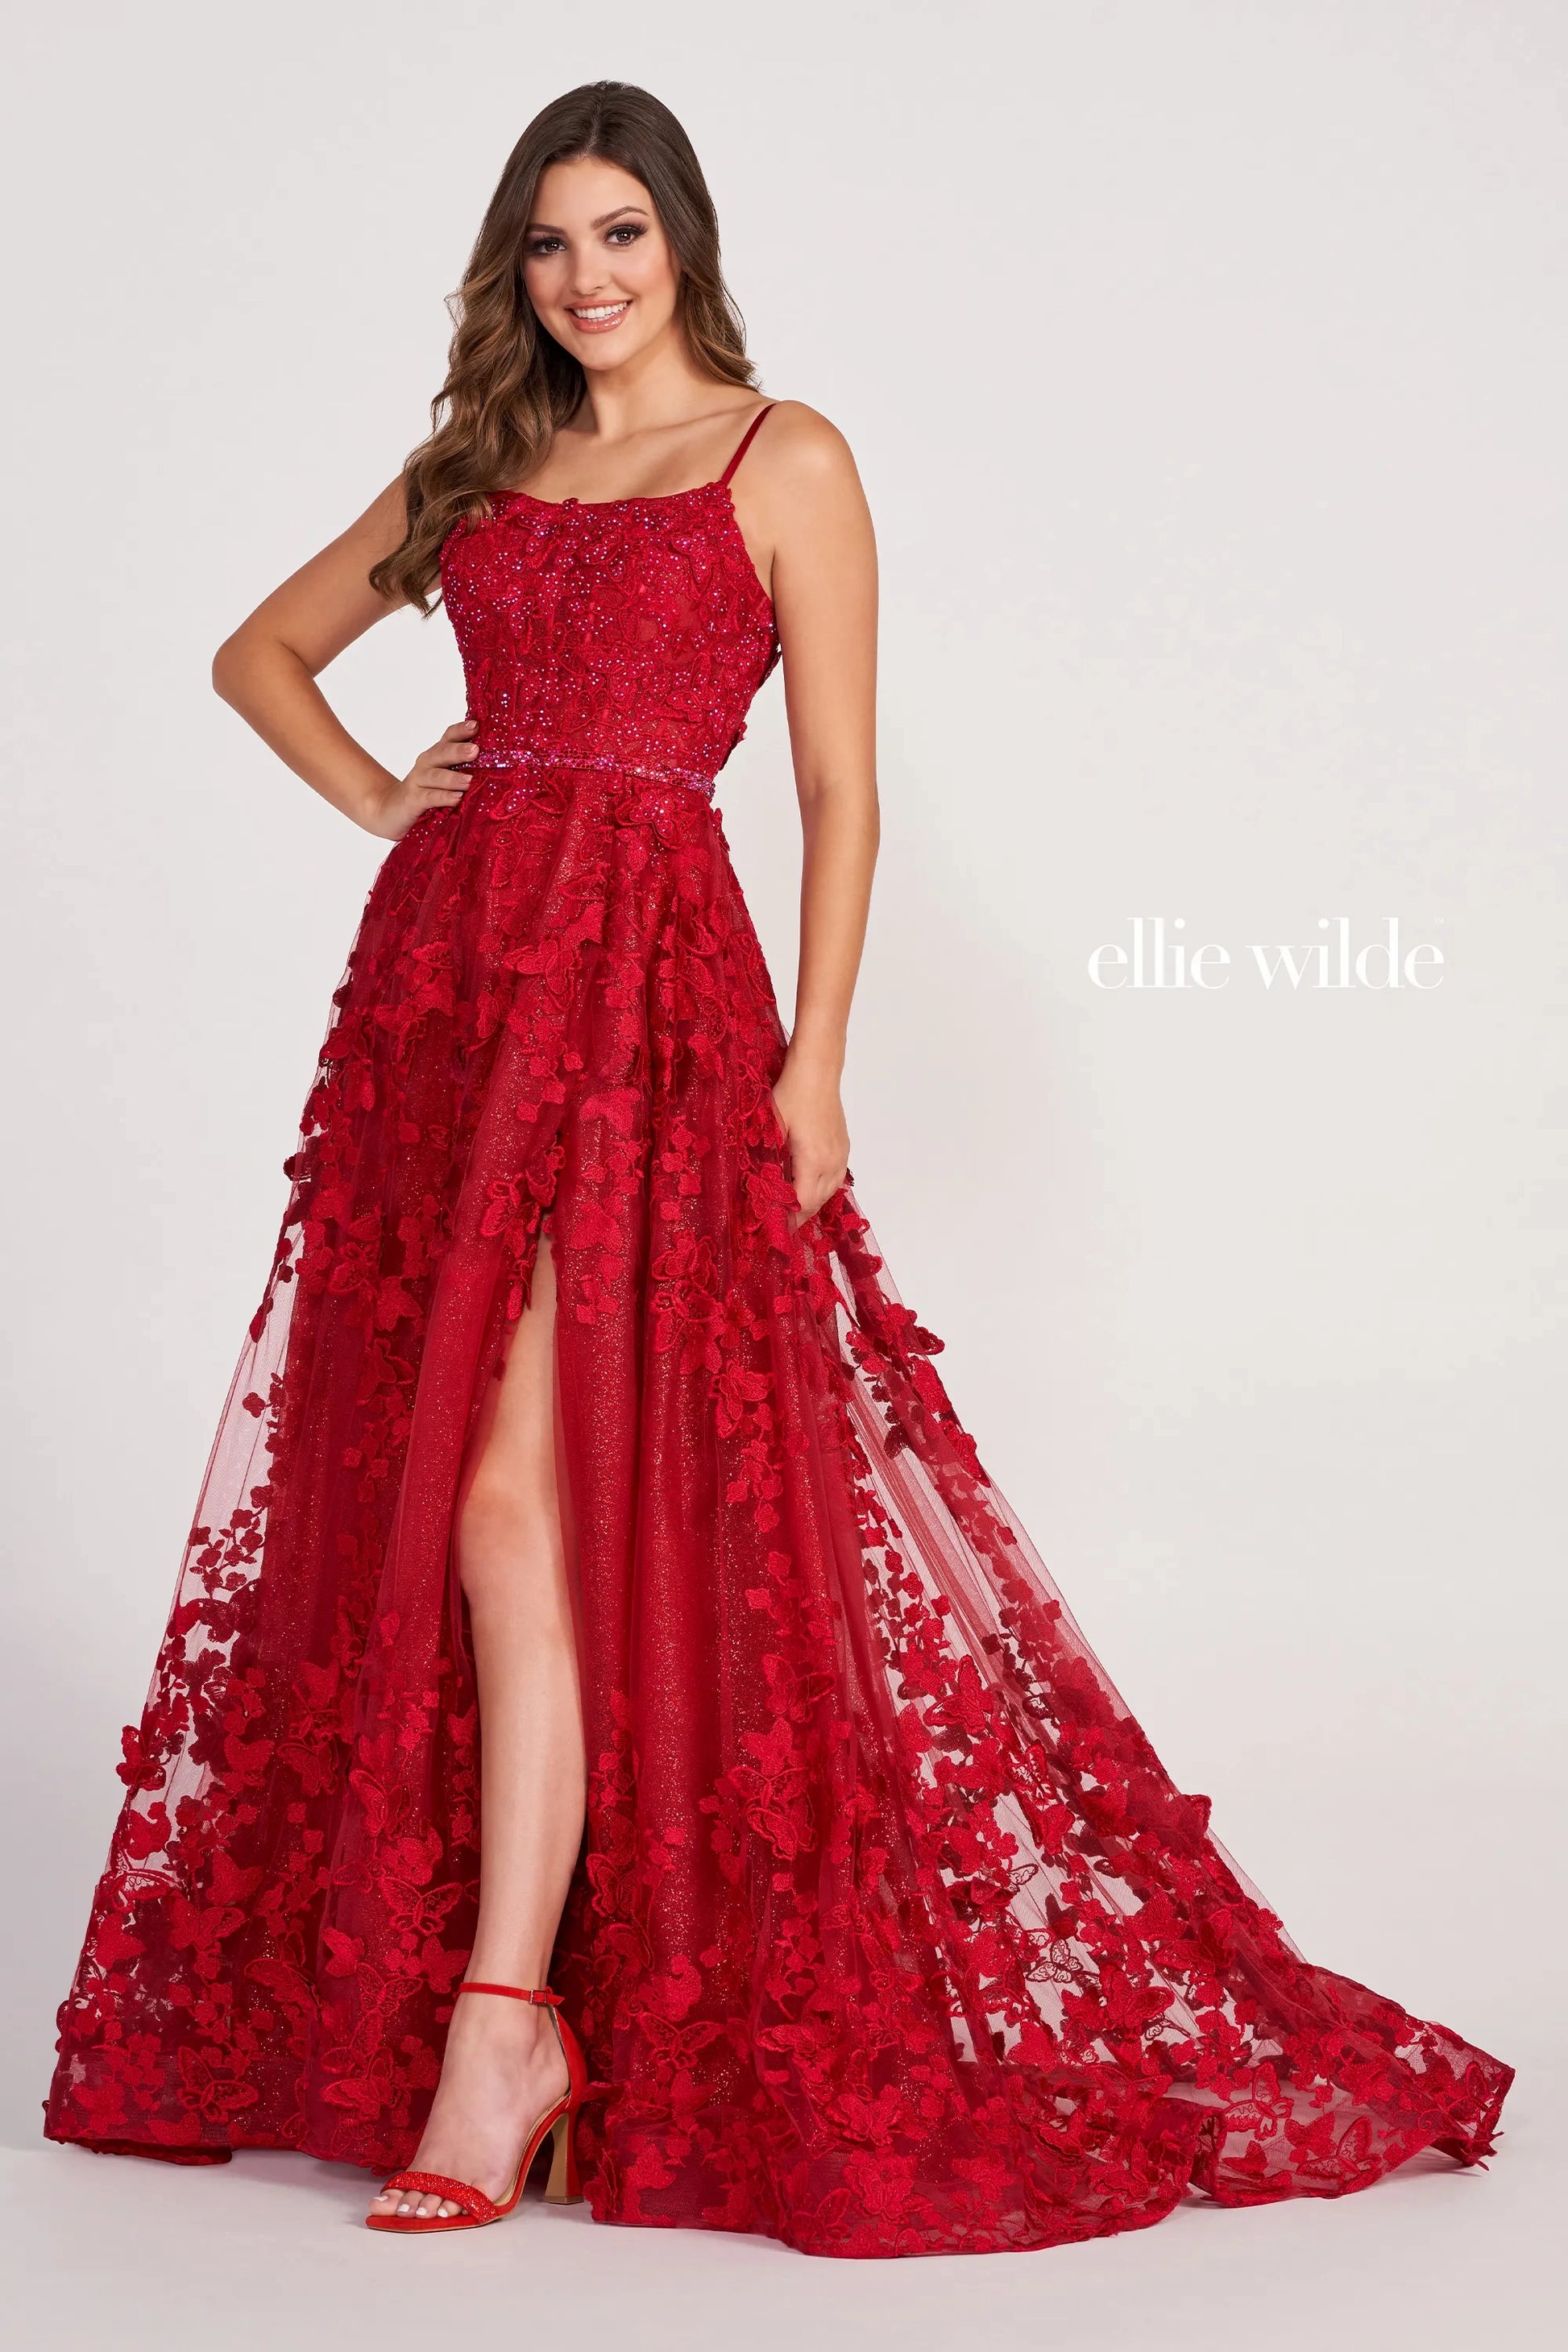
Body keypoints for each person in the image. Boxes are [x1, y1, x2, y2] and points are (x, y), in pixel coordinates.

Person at [44, 81, 1512, 2257]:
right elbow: (255, 651)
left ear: (684, 241)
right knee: (455, 1490)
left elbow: (839, 791)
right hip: (451, 1002)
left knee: (533, 1493)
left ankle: (504, 2028)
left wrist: (815, 1063)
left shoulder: (781, 457)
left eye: (619, 234)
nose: (585, 278)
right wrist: (376, 794)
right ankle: (512, 2010)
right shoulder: (479, 462)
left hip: (651, 1001)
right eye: (549, 243)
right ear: (516, 267)